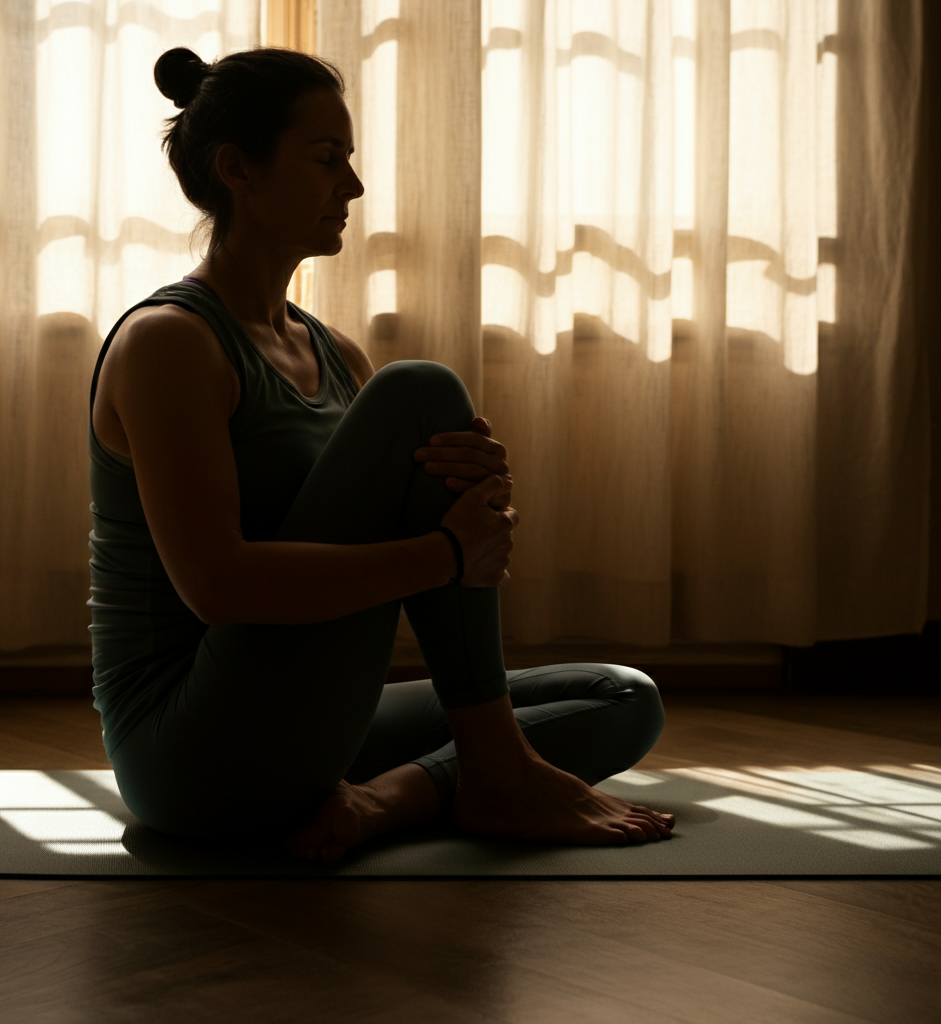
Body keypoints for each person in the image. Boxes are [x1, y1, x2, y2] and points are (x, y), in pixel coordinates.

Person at [88, 45, 675, 865]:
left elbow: (402, 546)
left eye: (350, 158)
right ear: (238, 168)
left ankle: (392, 800)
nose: (354, 186)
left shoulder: (335, 353)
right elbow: (218, 585)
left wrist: (470, 501)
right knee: (422, 391)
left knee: (620, 697)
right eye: (327, 158)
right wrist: (446, 553)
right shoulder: (169, 343)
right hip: (192, 757)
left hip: (301, 721)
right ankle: (493, 772)